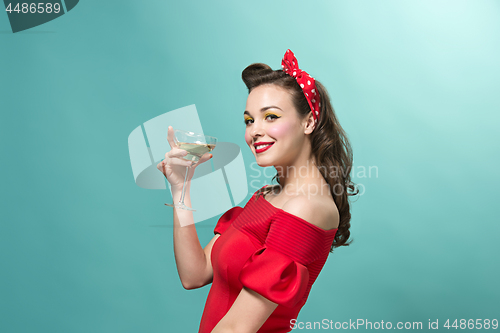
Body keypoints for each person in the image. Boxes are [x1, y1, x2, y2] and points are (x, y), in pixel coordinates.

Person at [157, 49, 358, 333]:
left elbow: (237, 328)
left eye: (271, 117)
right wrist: (181, 187)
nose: (255, 131)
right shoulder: (266, 196)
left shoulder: (307, 208)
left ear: (309, 122)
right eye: (249, 120)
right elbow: (195, 273)